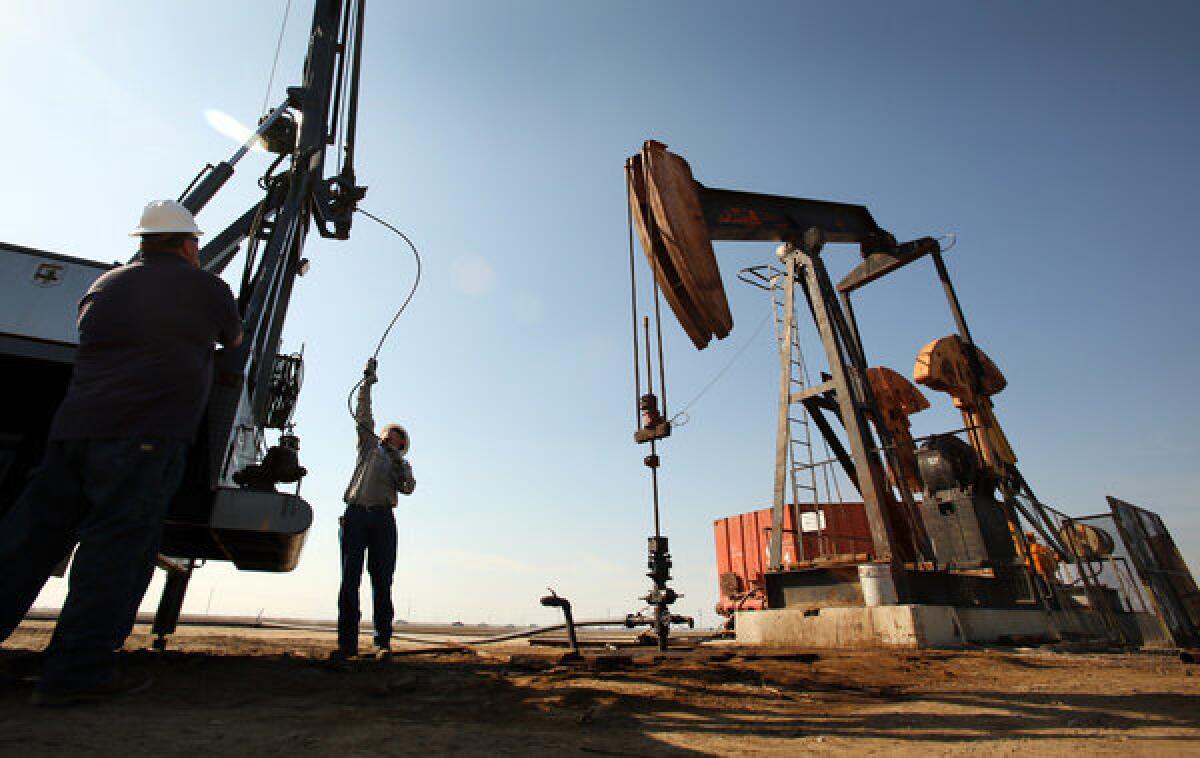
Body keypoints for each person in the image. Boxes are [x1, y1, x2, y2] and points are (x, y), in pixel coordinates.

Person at [0, 199, 242, 706]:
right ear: (187, 243)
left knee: (25, 542)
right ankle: (76, 674)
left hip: (73, 433)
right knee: (114, 550)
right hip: (145, 436)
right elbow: (233, 338)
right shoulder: (207, 288)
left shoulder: (104, 284)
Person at [335, 357, 415, 659]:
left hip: (383, 519)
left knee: (382, 581)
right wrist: (367, 382)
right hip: (355, 514)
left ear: (401, 444)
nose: (389, 435)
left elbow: (407, 488)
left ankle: (383, 643)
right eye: (388, 432)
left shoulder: (401, 465)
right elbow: (363, 414)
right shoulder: (368, 447)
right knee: (349, 581)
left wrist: (397, 461)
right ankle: (347, 645)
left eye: (396, 435)